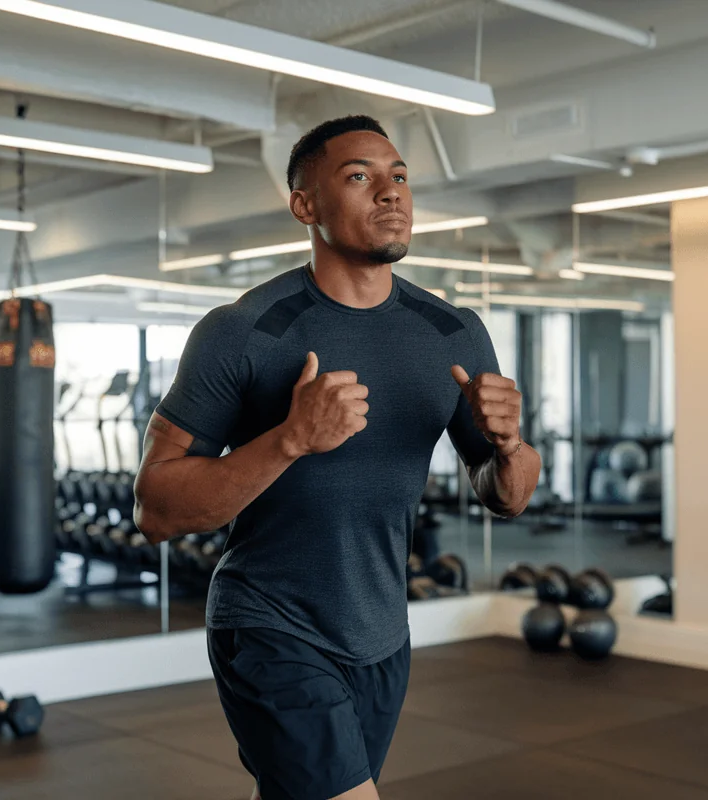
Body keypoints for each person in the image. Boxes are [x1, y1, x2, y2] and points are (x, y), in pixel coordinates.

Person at [133, 115, 542, 800]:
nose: (391, 193)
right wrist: (291, 438)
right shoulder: (244, 332)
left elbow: (509, 493)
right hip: (270, 625)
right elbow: (155, 508)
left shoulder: (454, 333)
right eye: (360, 177)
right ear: (305, 205)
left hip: (382, 635)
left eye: (399, 177)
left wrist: (509, 447)